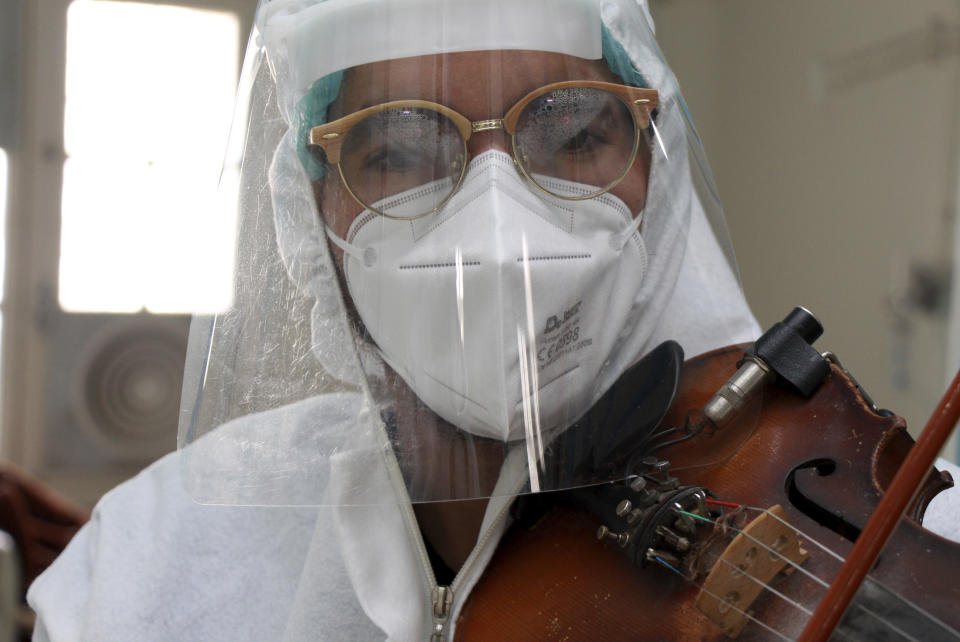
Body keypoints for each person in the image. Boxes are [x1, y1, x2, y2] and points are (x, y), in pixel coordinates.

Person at [27, 0, 955, 639]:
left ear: (656, 180)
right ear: (308, 217)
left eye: (578, 134)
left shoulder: (909, 533)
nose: (500, 230)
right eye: (398, 150)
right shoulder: (154, 557)